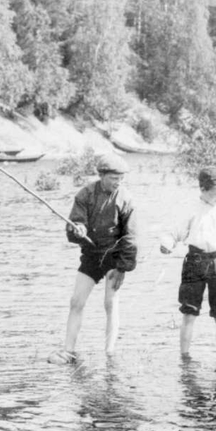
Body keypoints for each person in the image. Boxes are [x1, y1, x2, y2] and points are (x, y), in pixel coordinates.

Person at [52, 153, 140, 364]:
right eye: (113, 178)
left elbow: (131, 236)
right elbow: (76, 222)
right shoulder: (85, 194)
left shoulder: (126, 198)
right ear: (101, 175)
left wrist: (122, 267)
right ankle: (68, 350)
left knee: (110, 302)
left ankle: (110, 352)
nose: (118, 182)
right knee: (76, 302)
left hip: (114, 256)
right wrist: (78, 229)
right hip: (91, 255)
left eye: (121, 178)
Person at [159, 166, 216, 361]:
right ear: (203, 188)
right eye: (215, 192)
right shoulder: (189, 209)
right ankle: (184, 357)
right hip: (194, 261)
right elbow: (173, 232)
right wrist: (166, 244)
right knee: (189, 313)